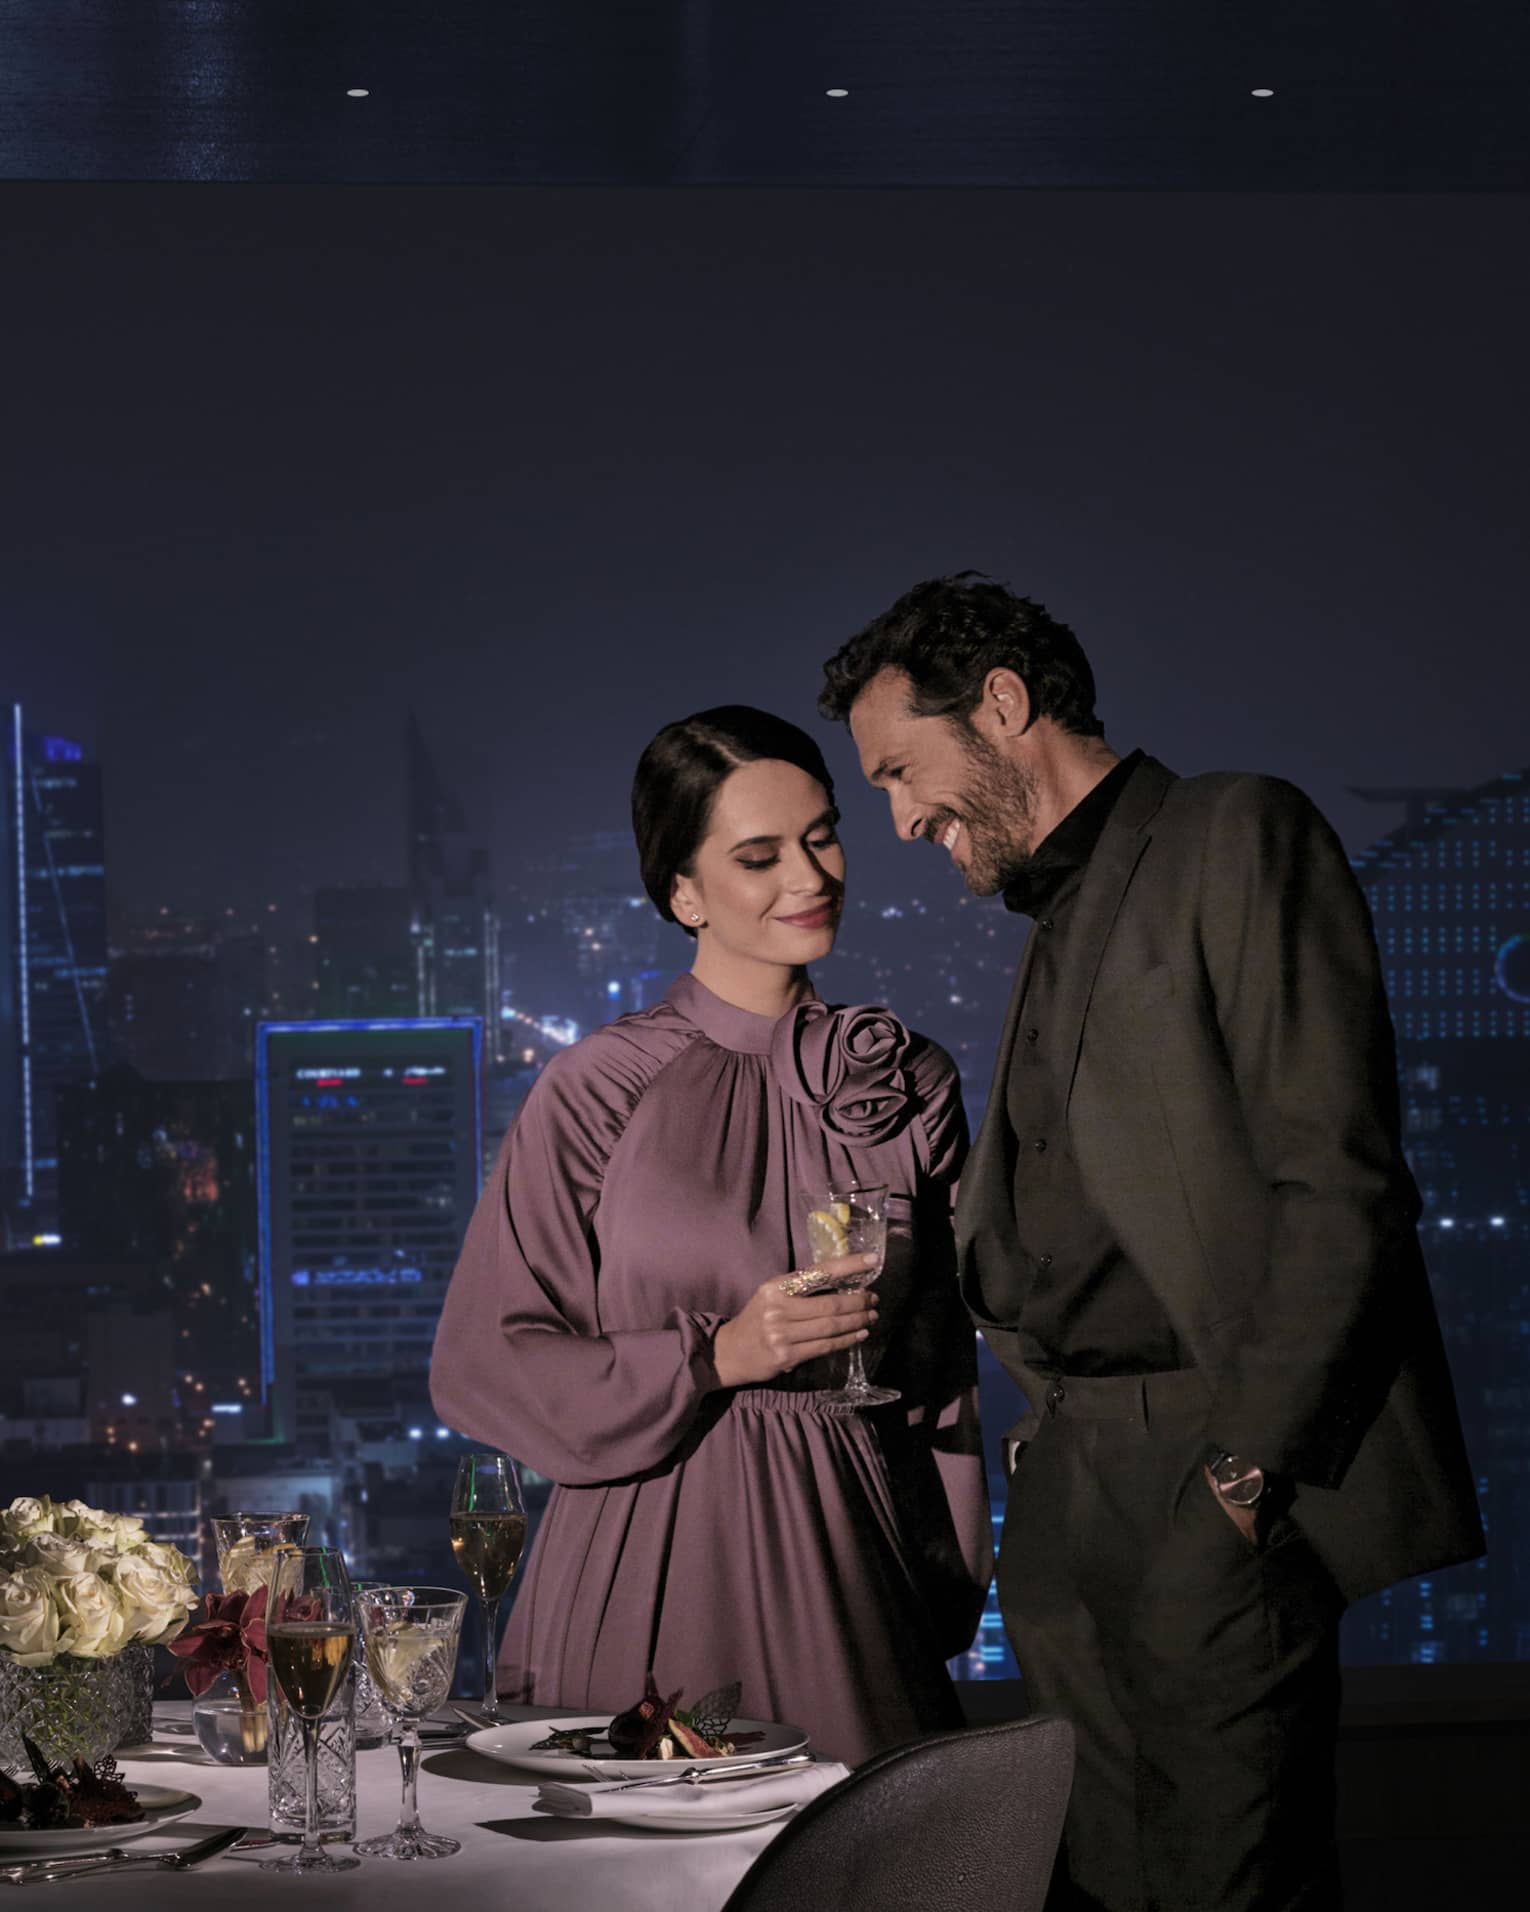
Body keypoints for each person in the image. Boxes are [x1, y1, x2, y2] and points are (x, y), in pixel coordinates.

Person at [818, 575, 1484, 1909]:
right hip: (1070, 1489)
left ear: (1002, 705)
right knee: (1101, 1883)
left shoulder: (1233, 831)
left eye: (900, 770)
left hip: (1205, 1473)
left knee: (1226, 1883)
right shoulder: (1059, 913)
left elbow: (1336, 1184)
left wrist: (1244, 1477)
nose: (895, 820)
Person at [430, 705, 991, 1766]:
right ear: (682, 891)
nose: (809, 875)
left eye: (822, 835)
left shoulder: (908, 1081)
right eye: (759, 855)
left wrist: (946, 1570)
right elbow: (487, 1357)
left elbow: (946, 1359)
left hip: (856, 1548)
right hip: (650, 1542)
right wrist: (716, 1353)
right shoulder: (599, 1086)